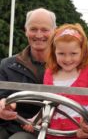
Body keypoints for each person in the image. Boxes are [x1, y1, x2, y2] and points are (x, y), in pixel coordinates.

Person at [23, 23, 88, 139]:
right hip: (51, 132)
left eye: (73, 53)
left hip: (79, 132)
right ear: (54, 52)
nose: (67, 59)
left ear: (83, 52)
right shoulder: (49, 73)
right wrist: (34, 120)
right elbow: (47, 104)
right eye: (61, 54)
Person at [0, 7, 56, 139]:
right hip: (8, 125)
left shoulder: (65, 68)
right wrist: (3, 105)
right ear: (26, 31)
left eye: (44, 30)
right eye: (33, 29)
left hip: (45, 130)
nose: (38, 35)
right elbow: (1, 95)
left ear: (54, 31)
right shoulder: (7, 65)